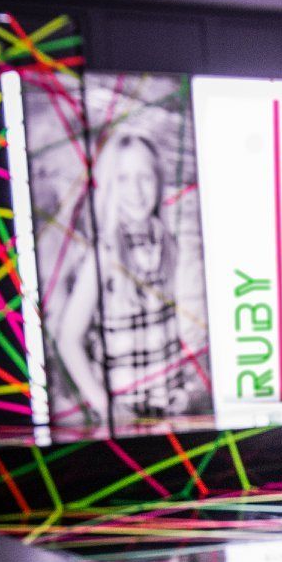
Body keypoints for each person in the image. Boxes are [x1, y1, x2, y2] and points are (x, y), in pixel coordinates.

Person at [52, 130, 188, 425]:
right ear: (110, 186)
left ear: (158, 182)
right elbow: (68, 338)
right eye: (123, 179)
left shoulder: (168, 244)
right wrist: (106, 406)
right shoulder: (106, 252)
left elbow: (169, 328)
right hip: (127, 417)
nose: (136, 190)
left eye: (145, 178)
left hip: (167, 411)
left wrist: (181, 389)